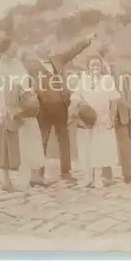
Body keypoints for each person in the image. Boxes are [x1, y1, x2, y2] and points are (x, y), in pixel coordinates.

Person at [24, 33, 95, 183]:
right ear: (37, 51)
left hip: (61, 105)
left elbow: (72, 52)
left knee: (64, 140)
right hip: (43, 108)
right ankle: (38, 174)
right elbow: (27, 85)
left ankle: (65, 172)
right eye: (44, 47)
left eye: (46, 47)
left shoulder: (57, 60)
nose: (47, 48)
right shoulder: (32, 67)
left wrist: (86, 40)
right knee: (43, 140)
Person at [0, 36, 48, 191]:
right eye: (12, 48)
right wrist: (4, 113)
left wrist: (29, 92)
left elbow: (26, 82)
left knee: (32, 138)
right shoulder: (0, 67)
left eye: (15, 48)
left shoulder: (18, 63)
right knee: (5, 145)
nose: (15, 50)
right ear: (4, 50)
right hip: (8, 109)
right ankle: (5, 181)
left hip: (24, 106)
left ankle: (35, 175)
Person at [68, 56, 120, 188]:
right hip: (86, 119)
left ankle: (97, 178)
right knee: (85, 148)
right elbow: (75, 97)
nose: (95, 68)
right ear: (88, 67)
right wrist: (73, 114)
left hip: (101, 119)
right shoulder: (83, 80)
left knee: (99, 149)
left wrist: (111, 117)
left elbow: (114, 100)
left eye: (97, 65)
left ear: (101, 66)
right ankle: (86, 177)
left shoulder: (107, 80)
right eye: (92, 65)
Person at [98, 44, 131, 185]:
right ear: (106, 53)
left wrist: (130, 108)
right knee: (105, 144)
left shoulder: (117, 69)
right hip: (106, 113)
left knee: (126, 145)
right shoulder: (96, 69)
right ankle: (107, 176)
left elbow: (123, 91)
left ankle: (128, 174)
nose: (116, 53)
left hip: (122, 112)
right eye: (113, 51)